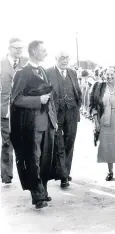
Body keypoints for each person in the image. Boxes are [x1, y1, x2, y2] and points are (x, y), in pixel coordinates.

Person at [10, 40, 57, 209]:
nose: (46, 53)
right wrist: (38, 100)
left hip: (46, 123)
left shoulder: (43, 70)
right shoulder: (22, 73)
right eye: (43, 50)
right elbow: (16, 99)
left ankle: (42, 190)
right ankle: (37, 196)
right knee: (33, 159)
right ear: (34, 52)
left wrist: (54, 120)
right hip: (31, 125)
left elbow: (50, 99)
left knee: (45, 159)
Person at [46, 51, 82, 188]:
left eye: (66, 57)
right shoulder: (48, 72)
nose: (64, 60)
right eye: (61, 58)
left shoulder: (72, 73)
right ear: (55, 59)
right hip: (56, 114)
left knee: (70, 142)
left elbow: (77, 91)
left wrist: (78, 107)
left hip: (72, 112)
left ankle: (65, 171)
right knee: (59, 144)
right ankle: (63, 176)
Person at [0, 38, 27, 184]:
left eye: (21, 48)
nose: (19, 51)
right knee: (6, 142)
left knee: (25, 142)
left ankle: (26, 173)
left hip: (23, 109)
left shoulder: (26, 64)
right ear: (9, 48)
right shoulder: (1, 65)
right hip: (6, 110)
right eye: (16, 48)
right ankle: (6, 175)